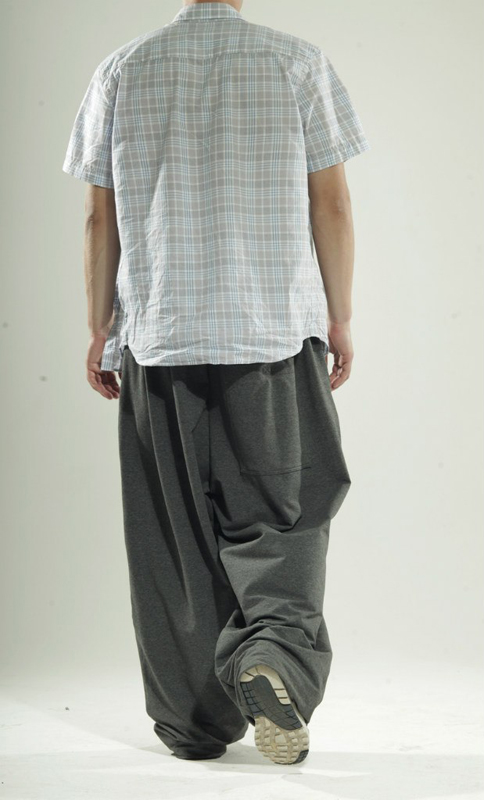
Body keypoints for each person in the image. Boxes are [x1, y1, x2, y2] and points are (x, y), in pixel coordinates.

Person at [62, 0, 370, 766]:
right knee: (285, 515)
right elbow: (331, 201)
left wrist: (100, 329)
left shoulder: (122, 69)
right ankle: (273, 657)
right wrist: (339, 317)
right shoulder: (297, 62)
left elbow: (100, 218)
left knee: (173, 538)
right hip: (272, 337)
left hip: (160, 341)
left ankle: (193, 724)